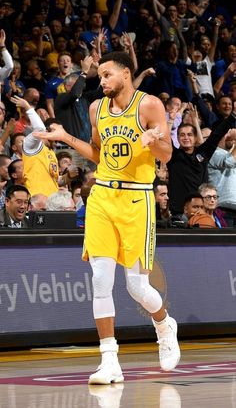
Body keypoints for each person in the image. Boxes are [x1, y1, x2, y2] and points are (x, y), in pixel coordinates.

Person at [34, 51, 180, 385]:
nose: (101, 81)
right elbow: (98, 155)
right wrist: (66, 139)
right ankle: (109, 360)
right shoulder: (96, 107)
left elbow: (167, 154)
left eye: (106, 75)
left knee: (136, 287)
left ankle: (163, 324)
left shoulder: (149, 105)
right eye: (99, 76)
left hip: (136, 198)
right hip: (102, 195)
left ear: (126, 74)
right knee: (100, 280)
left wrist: (152, 142)